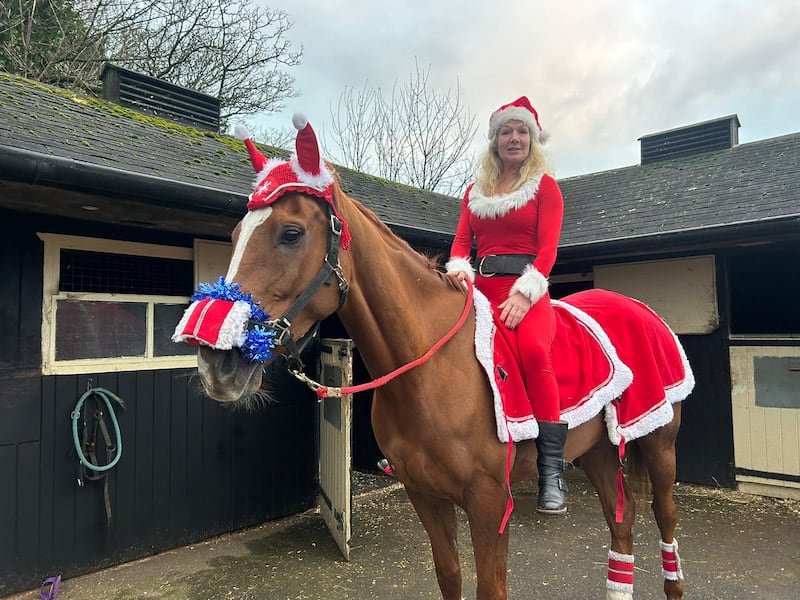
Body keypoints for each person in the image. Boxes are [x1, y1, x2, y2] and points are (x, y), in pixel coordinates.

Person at [446, 96, 568, 514]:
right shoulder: (473, 192)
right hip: (482, 289)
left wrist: (525, 292)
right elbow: (463, 241)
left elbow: (549, 249)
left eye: (521, 132)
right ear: (495, 140)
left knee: (534, 353)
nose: (513, 138)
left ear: (532, 140)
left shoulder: (545, 187)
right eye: (506, 132)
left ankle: (551, 472)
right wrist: (460, 269)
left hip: (527, 289)